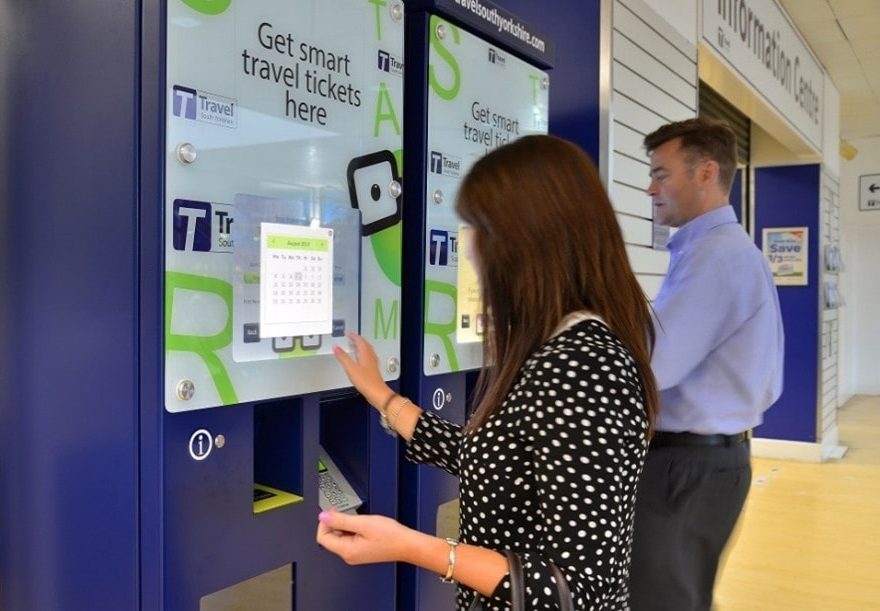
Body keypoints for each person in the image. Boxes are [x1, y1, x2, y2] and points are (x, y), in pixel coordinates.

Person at [316, 134, 659, 609]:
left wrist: (410, 545)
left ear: (529, 240)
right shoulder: (555, 349)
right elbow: (496, 461)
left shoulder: (583, 365)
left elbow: (576, 591)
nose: (470, 250)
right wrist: (382, 396)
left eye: (479, 228)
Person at [629, 118, 784, 611]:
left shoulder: (716, 257)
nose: (651, 188)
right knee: (681, 595)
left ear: (705, 173)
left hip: (686, 467)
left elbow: (652, 367)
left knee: (660, 600)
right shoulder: (717, 252)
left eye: (661, 174)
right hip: (704, 462)